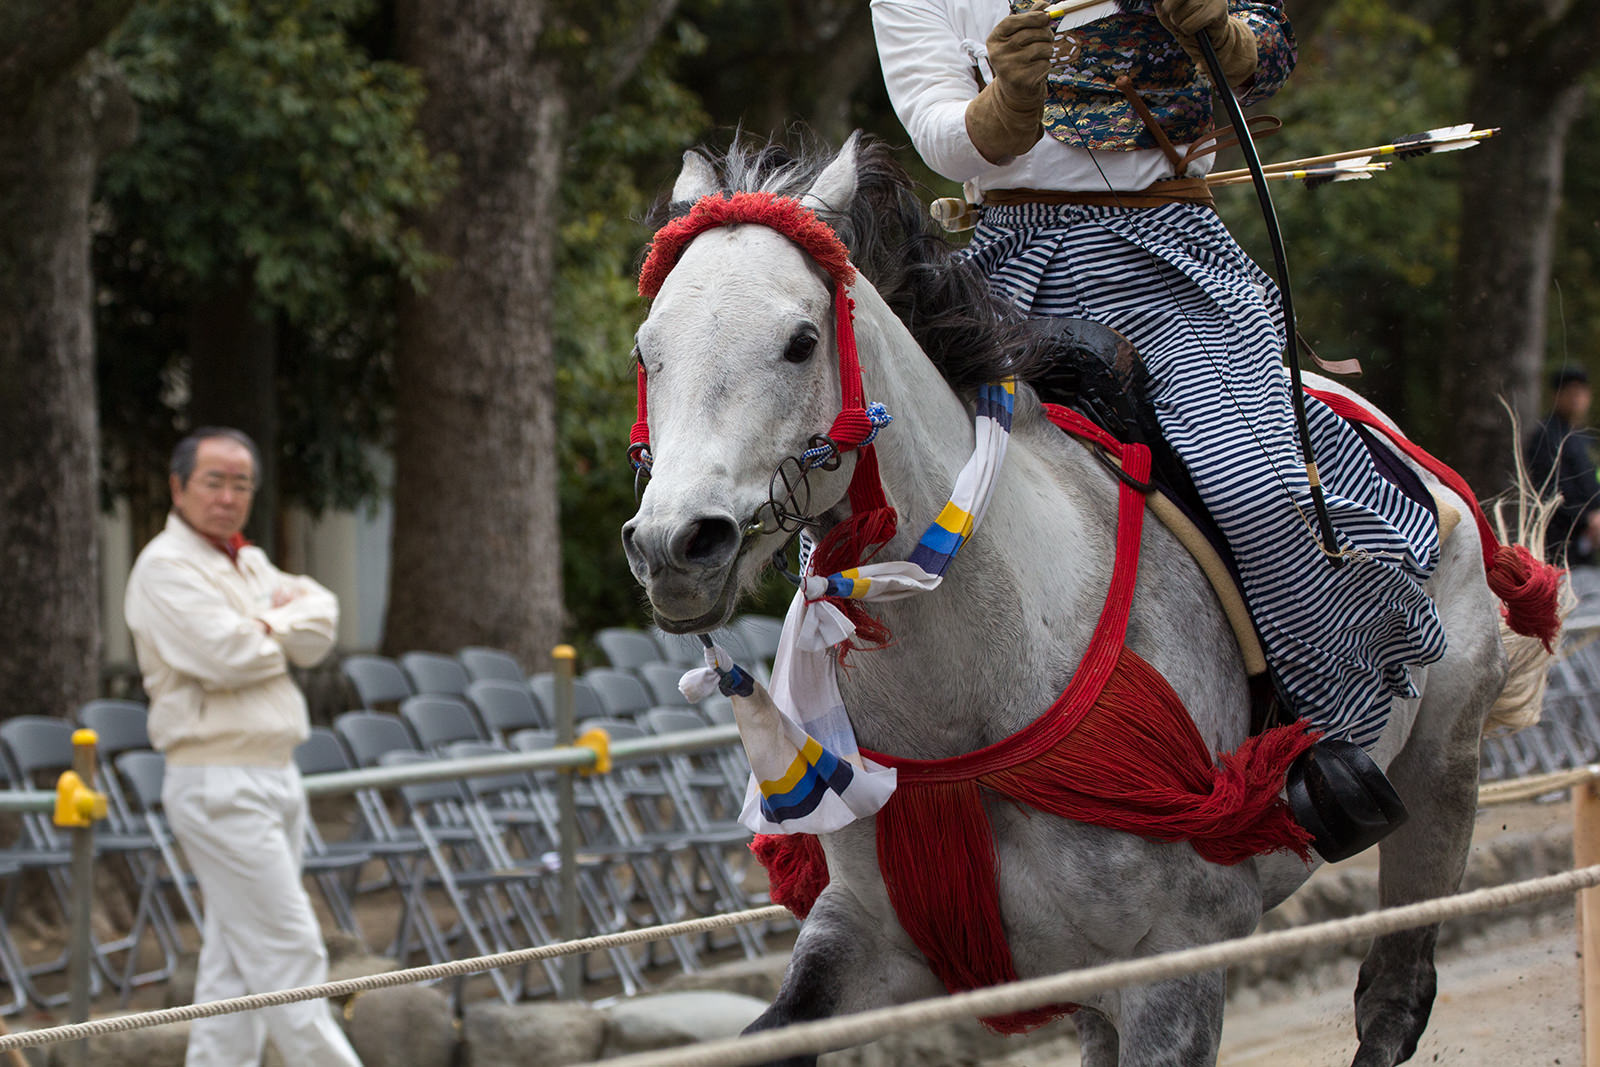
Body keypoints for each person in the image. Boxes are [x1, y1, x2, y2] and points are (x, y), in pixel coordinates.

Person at [871, 0, 1446, 858]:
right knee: (868, 495)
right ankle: (849, 773)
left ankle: (1302, 740)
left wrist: (1220, 32)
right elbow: (944, 137)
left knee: (1257, 491)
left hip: (1167, 258)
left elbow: (1270, 52)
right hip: (1002, 266)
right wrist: (1007, 106)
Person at [124, 427, 361, 1067]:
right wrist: (276, 624)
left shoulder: (246, 560)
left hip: (273, 771)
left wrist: (264, 625)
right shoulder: (163, 565)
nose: (229, 496)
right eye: (214, 480)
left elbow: (324, 619)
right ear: (178, 487)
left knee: (233, 969)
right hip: (217, 777)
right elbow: (223, 656)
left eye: (242, 483)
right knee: (291, 952)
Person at [1527, 366, 1600, 564]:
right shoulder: (1546, 436)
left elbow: (1592, 482)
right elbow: (1551, 490)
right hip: (1558, 544)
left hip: (1587, 546)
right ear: (1557, 395)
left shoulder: (1585, 438)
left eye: (1581, 392)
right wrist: (1586, 519)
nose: (1577, 398)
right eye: (1571, 391)